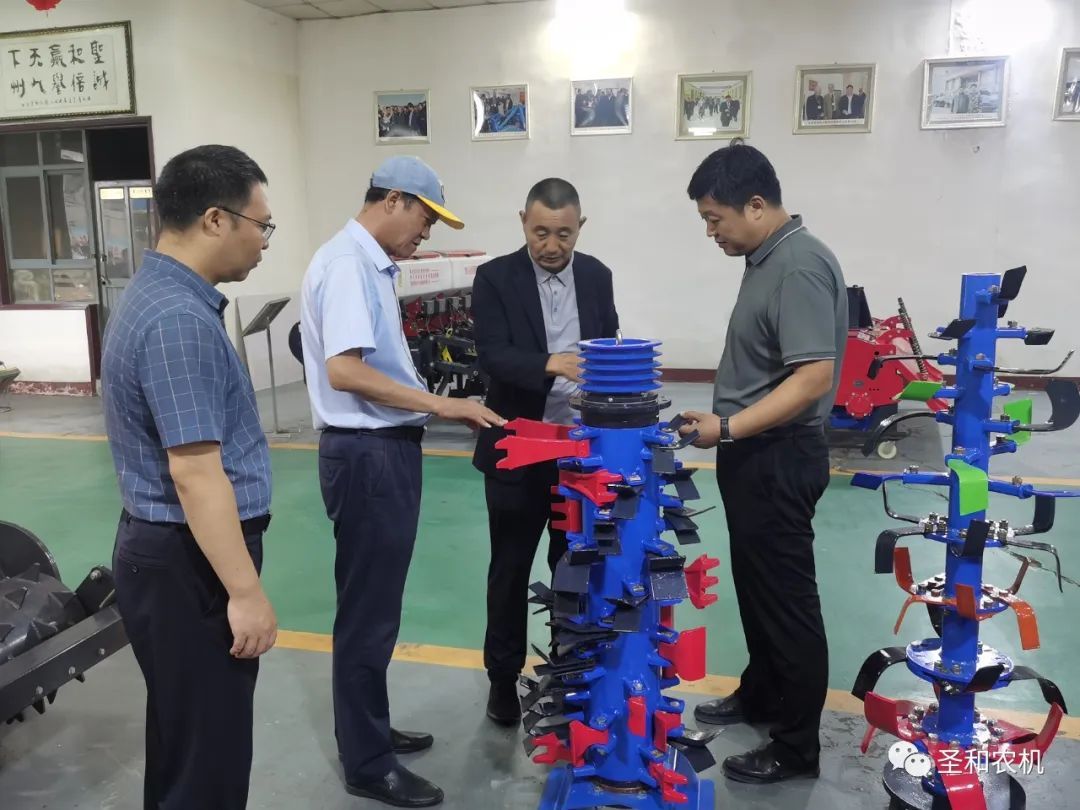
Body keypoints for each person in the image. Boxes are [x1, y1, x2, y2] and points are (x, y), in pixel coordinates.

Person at [299, 155, 503, 808]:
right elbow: (346, 372)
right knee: (368, 612)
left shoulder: (367, 264)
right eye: (425, 217)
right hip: (367, 455)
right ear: (392, 200)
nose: (427, 233)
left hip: (382, 451)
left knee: (377, 607)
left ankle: (371, 728)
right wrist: (443, 404)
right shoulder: (348, 265)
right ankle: (367, 762)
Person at [100, 144, 278, 809]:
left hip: (171, 556)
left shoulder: (158, 296)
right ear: (215, 220)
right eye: (261, 224)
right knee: (209, 759)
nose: (264, 241)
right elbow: (196, 473)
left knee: (186, 743)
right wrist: (245, 592)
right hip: (190, 566)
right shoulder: (178, 320)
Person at [678, 141, 847, 784]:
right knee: (757, 588)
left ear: (755, 204)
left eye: (715, 219)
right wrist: (726, 427)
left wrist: (726, 426)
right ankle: (763, 692)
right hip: (753, 452)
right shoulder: (768, 257)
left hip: (778, 455)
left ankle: (797, 747)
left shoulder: (798, 266)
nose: (711, 233)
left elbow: (812, 378)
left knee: (786, 601)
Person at [471, 178, 619, 725]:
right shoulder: (495, 278)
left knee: (572, 565)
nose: (552, 246)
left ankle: (566, 670)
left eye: (563, 234)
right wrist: (551, 363)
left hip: (578, 455)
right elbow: (492, 355)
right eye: (540, 233)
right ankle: (501, 677)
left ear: (581, 226)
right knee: (510, 568)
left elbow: (608, 343)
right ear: (522, 223)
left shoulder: (597, 276)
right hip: (518, 449)